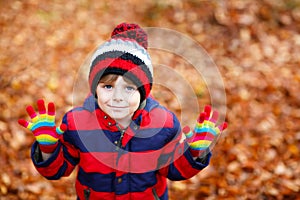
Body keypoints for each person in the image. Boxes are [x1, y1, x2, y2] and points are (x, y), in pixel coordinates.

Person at [18, 23, 227, 200]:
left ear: (144, 91)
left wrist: (196, 152)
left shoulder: (163, 124)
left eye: (129, 88)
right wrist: (47, 149)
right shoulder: (77, 123)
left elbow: (174, 169)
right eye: (108, 87)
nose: (118, 96)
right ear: (95, 88)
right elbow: (58, 170)